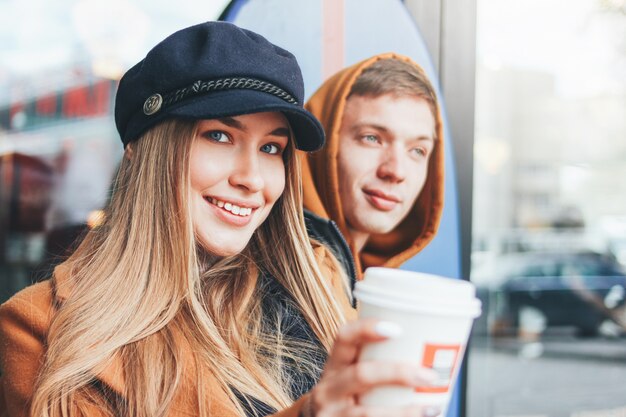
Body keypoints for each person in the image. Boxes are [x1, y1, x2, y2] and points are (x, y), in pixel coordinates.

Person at [0, 22, 440, 417]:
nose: (251, 178)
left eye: (272, 148)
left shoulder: (316, 282)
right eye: (219, 136)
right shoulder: (36, 327)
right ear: (141, 150)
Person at [301, 54, 445, 284]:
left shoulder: (374, 286)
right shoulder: (270, 282)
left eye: (418, 150)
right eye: (372, 138)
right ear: (321, 144)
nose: (396, 171)